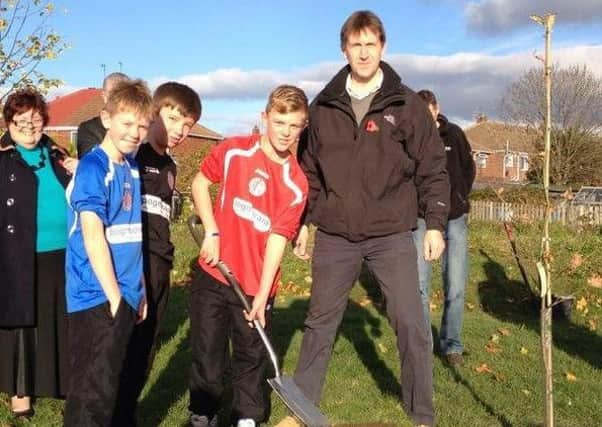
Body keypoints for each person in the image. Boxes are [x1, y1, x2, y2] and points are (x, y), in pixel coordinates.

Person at [291, 11, 449, 427]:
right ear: (344, 48)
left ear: (383, 47)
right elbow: (308, 171)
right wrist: (306, 221)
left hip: (391, 235)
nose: (363, 53)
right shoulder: (322, 107)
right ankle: (303, 410)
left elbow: (432, 167)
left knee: (411, 324)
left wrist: (434, 223)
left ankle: (422, 414)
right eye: (355, 45)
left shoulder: (407, 105)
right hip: (336, 235)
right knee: (320, 323)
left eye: (371, 45)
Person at [188, 85, 309, 427]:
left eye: (294, 125)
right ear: (265, 117)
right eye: (280, 122)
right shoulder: (233, 151)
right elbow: (199, 183)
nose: (285, 132)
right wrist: (211, 231)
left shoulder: (296, 183)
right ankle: (203, 413)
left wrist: (263, 293)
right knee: (207, 352)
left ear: (303, 127)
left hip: (255, 285)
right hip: (214, 274)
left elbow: (277, 240)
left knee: (250, 355)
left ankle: (247, 417)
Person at [63, 79, 153, 427]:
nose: (135, 133)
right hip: (97, 295)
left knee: (113, 385)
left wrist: (140, 287)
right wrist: (114, 296)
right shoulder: (93, 167)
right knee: (91, 393)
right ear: (106, 118)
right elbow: (92, 234)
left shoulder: (131, 167)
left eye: (142, 126)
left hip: (128, 293)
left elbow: (133, 234)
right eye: (127, 124)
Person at [113, 82, 202, 426]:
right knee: (124, 345)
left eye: (188, 125)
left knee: (146, 347)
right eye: (173, 118)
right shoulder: (133, 157)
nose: (179, 130)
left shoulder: (170, 165)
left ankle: (126, 412)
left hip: (161, 266)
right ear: (154, 113)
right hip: (134, 265)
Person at [0, 88, 77, 420]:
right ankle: (21, 393)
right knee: (23, 326)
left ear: (44, 120)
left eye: (35, 119)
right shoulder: (2, 157)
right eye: (21, 120)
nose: (29, 126)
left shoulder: (59, 155)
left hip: (62, 255)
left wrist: (80, 168)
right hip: (17, 255)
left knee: (58, 323)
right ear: (9, 122)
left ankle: (62, 384)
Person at [413, 89, 476, 366]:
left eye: (429, 115)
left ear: (437, 110)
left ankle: (452, 345)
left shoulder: (455, 135)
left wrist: (460, 197)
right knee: (420, 284)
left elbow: (468, 169)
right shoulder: (410, 140)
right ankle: (423, 346)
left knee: (456, 284)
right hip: (421, 219)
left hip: (454, 217)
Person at [76, 72, 130, 158]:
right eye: (113, 94)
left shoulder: (139, 127)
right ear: (104, 96)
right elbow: (92, 161)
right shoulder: (89, 129)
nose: (118, 99)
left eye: (124, 94)